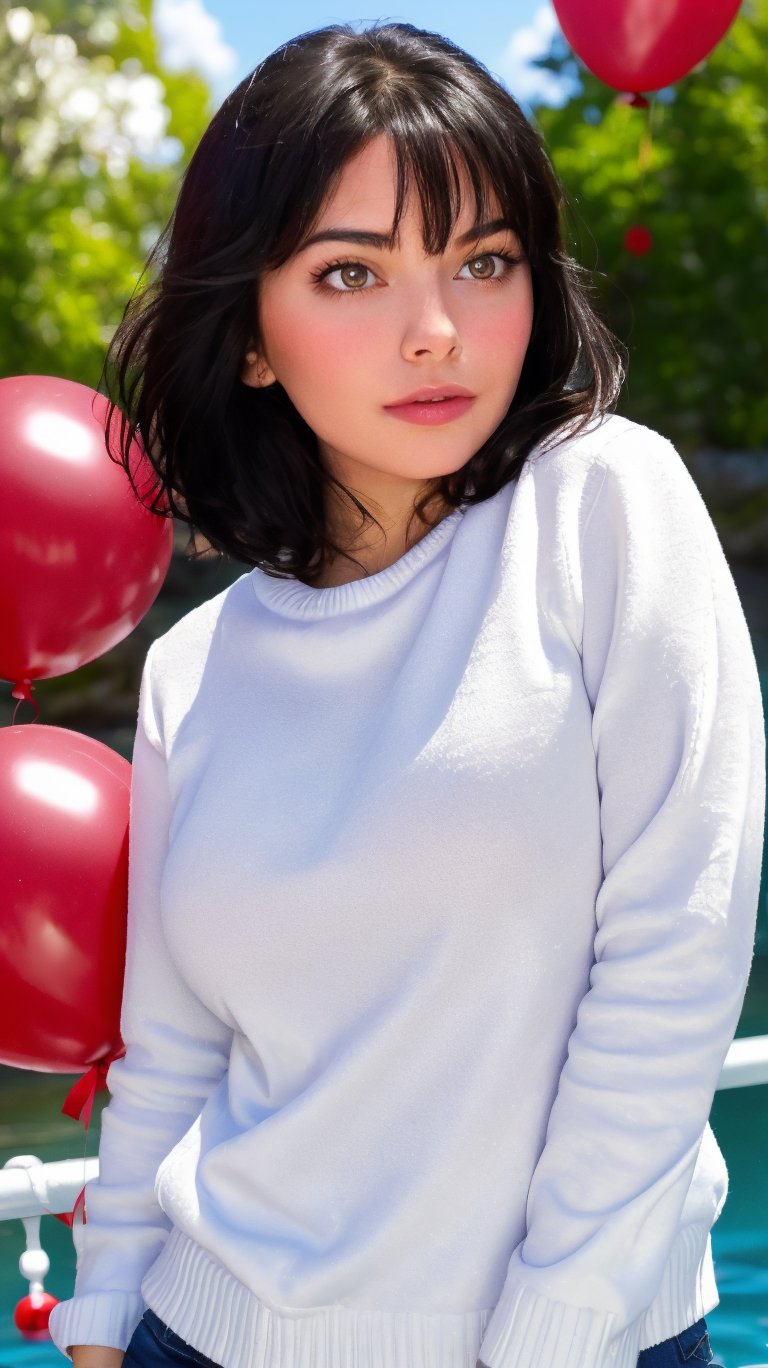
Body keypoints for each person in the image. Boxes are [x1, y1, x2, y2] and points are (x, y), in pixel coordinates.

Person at [47, 19, 765, 1368]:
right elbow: (174, 1050)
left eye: (482, 261)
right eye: (351, 273)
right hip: (201, 1334)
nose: (436, 330)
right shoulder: (198, 669)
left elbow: (675, 958)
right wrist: (96, 1319)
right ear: (250, 334)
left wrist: (554, 1335)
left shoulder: (606, 508)